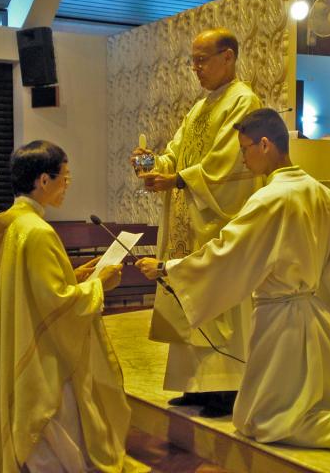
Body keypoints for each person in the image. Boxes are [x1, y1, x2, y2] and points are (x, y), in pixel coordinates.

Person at [136, 108, 330, 451]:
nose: (243, 159)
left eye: (245, 149)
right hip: (312, 314)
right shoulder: (320, 193)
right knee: (286, 402)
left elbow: (227, 254)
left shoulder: (268, 198)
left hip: (278, 318)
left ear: (265, 145)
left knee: (261, 420)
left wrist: (167, 269)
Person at [0, 141, 145, 472]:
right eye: (65, 177)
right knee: (52, 430)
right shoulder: (37, 231)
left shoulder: (11, 224)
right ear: (43, 181)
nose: (67, 185)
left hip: (20, 336)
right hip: (42, 353)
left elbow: (24, 288)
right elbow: (57, 303)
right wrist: (99, 285)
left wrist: (73, 276)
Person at [132, 28, 261, 417]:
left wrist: (179, 179)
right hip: (190, 220)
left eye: (202, 60)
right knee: (186, 298)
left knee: (218, 304)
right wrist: (156, 164)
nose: (196, 68)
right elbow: (178, 151)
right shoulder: (200, 107)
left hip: (217, 223)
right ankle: (195, 385)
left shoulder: (244, 101)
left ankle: (225, 387)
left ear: (228, 57)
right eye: (193, 61)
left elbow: (227, 162)